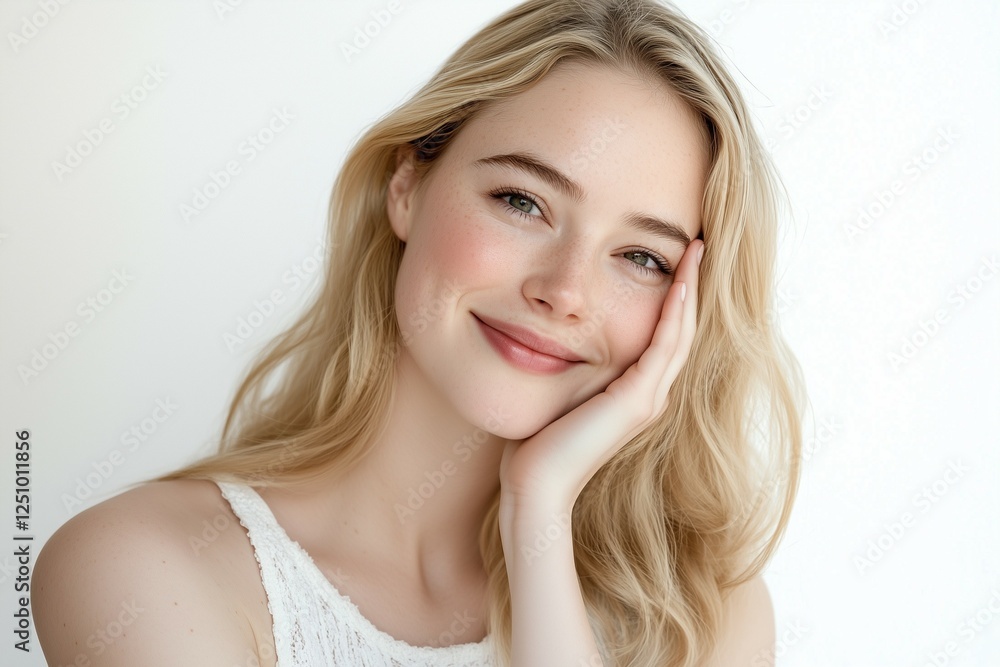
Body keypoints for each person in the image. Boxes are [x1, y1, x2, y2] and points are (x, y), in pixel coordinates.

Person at [32, 0, 805, 665]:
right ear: (407, 186)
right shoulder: (145, 570)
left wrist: (537, 509)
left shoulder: (703, 618)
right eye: (522, 202)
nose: (564, 291)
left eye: (640, 256)